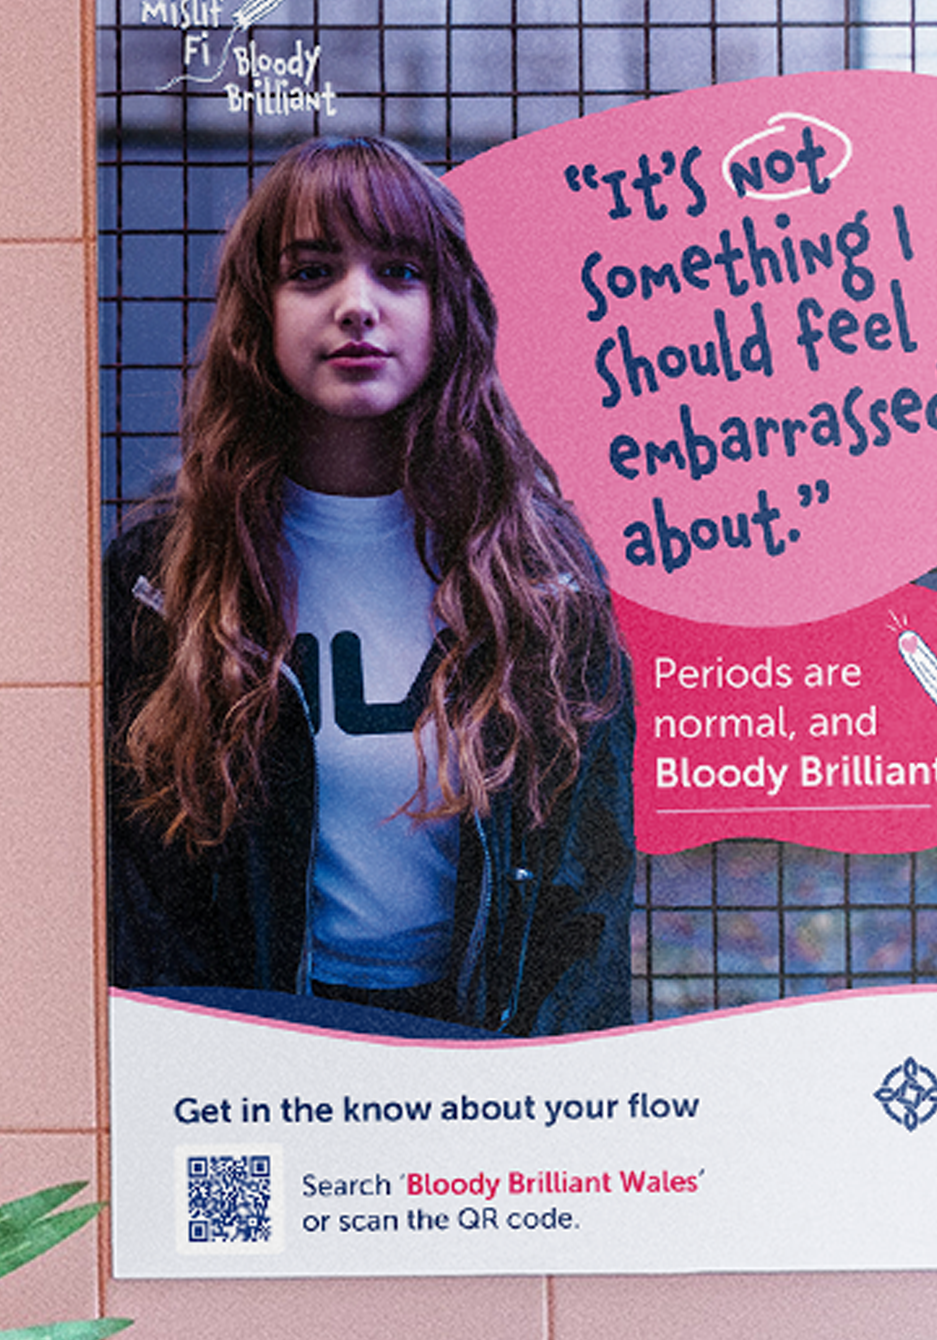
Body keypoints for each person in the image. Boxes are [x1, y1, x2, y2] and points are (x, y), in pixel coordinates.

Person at [106, 135, 635, 1035]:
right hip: (257, 1056)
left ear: (448, 311)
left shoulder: (539, 576)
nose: (357, 307)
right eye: (312, 273)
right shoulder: (163, 578)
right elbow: (142, 901)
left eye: (398, 272)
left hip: (481, 1057)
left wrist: (554, 1104)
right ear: (258, 312)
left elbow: (584, 907)